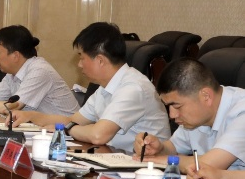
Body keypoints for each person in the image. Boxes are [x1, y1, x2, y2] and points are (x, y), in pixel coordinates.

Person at [12, 22, 169, 152]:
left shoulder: (133, 88)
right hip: (115, 157)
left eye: (82, 58)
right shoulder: (105, 87)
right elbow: (73, 120)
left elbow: (98, 135)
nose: (79, 65)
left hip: (146, 166)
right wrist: (30, 116)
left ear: (100, 60)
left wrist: (65, 129)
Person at [131, 59, 245, 173]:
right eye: (168, 106)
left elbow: (208, 165)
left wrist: (161, 159)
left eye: (177, 106)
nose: (172, 115)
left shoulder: (241, 111)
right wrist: (157, 149)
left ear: (206, 96)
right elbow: (172, 148)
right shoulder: (197, 117)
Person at [0, 25, 78, 116]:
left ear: (15, 55)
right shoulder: (12, 73)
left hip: (65, 133)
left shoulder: (39, 71)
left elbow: (11, 107)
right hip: (41, 129)